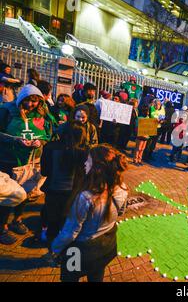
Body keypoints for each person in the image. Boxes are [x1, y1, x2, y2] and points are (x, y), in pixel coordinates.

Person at [48, 145, 128, 282]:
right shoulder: (122, 188)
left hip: (81, 251)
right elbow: (121, 212)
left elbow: (70, 232)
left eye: (88, 160)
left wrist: (55, 248)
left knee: (70, 278)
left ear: (97, 168)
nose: (85, 163)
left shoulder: (86, 197)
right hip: (106, 246)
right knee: (97, 275)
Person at [0, 85, 53, 244]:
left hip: (31, 162)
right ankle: (2, 227)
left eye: (35, 101)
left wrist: (41, 141)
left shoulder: (42, 114)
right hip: (9, 161)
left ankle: (17, 219)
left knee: (25, 192)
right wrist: (15, 140)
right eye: (28, 100)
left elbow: (49, 135)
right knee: (8, 194)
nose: (31, 105)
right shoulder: (7, 111)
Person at [40, 122, 89, 245]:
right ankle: (62, 240)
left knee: (51, 214)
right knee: (67, 215)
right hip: (73, 191)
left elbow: (44, 172)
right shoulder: (84, 151)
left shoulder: (50, 147)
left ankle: (48, 236)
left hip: (53, 188)